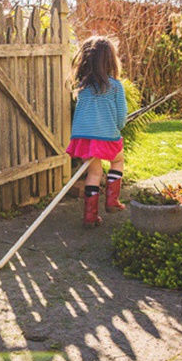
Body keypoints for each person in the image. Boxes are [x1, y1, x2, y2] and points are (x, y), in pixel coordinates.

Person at [66, 36, 127, 227]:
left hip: (82, 137)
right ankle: (112, 200)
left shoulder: (82, 87)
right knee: (117, 160)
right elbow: (121, 117)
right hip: (106, 136)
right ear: (110, 60)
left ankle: (90, 216)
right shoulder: (115, 86)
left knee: (94, 173)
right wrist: (118, 127)